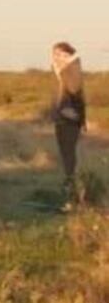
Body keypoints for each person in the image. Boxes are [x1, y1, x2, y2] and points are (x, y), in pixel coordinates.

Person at [50, 42, 86, 202]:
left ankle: (72, 188)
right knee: (66, 154)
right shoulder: (66, 69)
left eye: (59, 55)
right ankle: (70, 186)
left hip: (70, 118)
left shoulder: (72, 68)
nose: (56, 58)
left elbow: (73, 89)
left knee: (68, 154)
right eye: (54, 55)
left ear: (67, 55)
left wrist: (61, 72)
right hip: (64, 117)